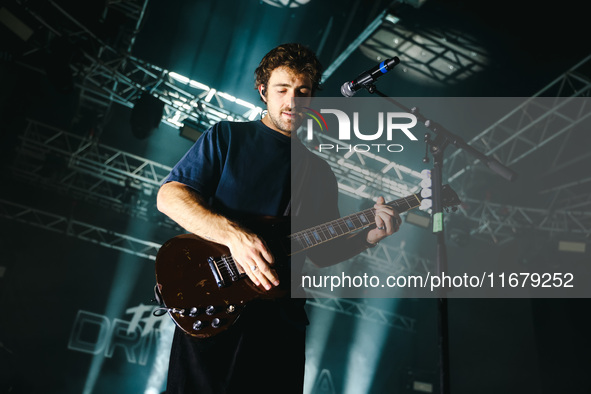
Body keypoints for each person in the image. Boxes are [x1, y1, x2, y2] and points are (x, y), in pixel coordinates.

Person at [156, 43, 401, 394]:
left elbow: (320, 252)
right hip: (215, 310)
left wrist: (368, 237)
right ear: (263, 91)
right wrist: (234, 237)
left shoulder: (318, 171)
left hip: (279, 326)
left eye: (303, 91)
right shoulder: (227, 137)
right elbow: (169, 196)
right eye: (282, 89)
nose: (292, 101)